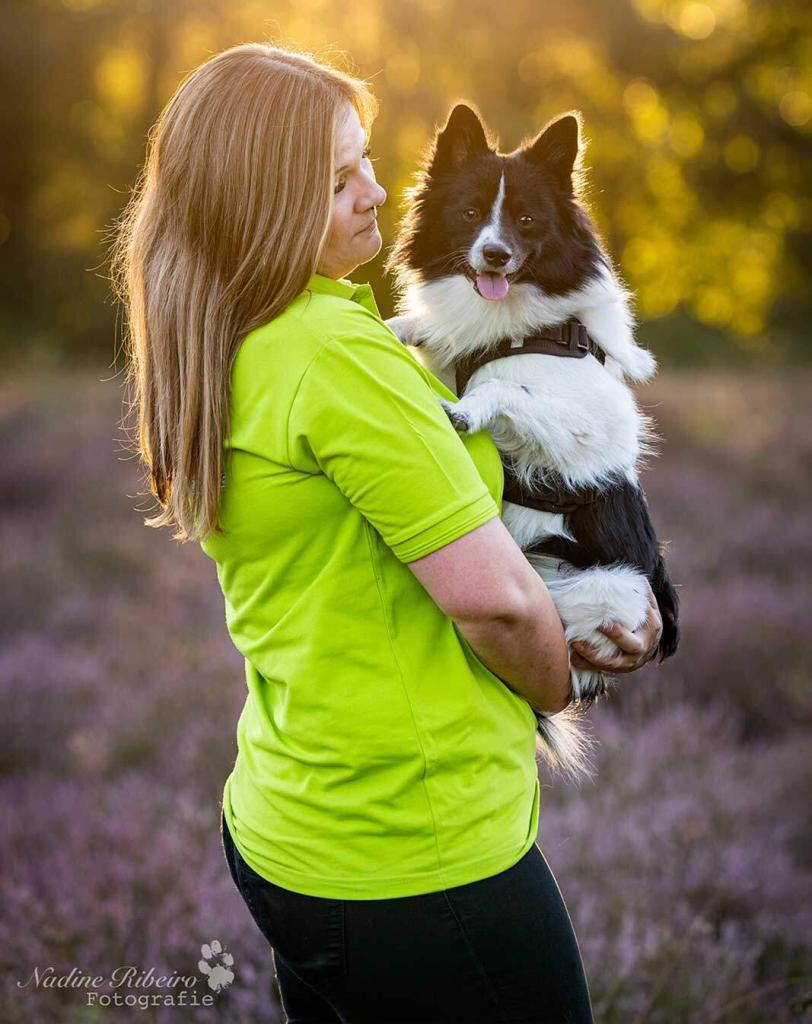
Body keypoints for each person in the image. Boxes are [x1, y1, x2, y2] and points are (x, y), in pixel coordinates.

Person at [112, 43, 662, 1024]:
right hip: (418, 855)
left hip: (289, 824)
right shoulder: (339, 358)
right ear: (265, 202)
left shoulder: (237, 336)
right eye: (336, 178)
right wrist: (564, 672)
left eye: (363, 158)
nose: (373, 188)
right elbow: (494, 600)